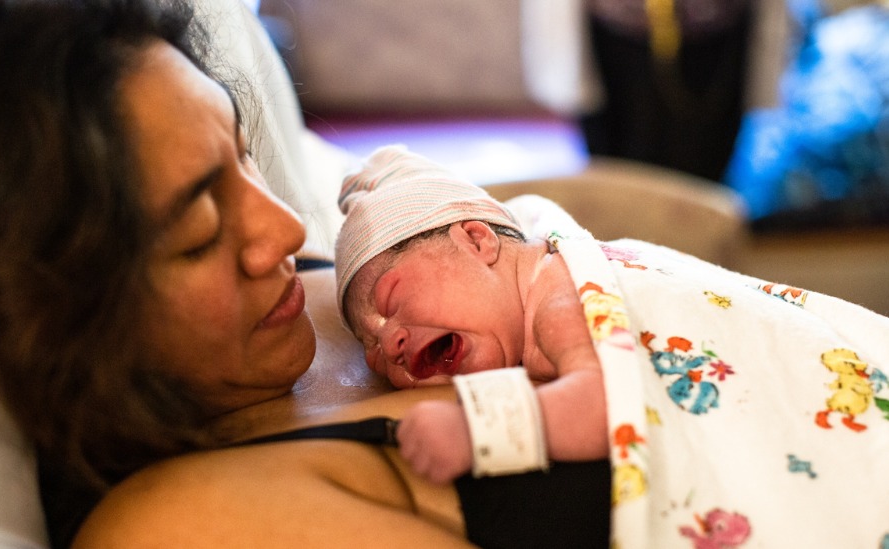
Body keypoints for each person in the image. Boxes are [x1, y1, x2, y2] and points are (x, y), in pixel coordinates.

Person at [0, 0, 611, 548]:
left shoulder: (325, 285)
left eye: (243, 157)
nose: (289, 228)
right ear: (77, 321)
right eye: (200, 234)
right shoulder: (174, 525)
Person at [335, 145, 889, 548]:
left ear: (477, 241)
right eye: (372, 345)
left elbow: (606, 405)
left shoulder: (557, 290)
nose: (391, 339)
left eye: (391, 296)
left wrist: (474, 432)